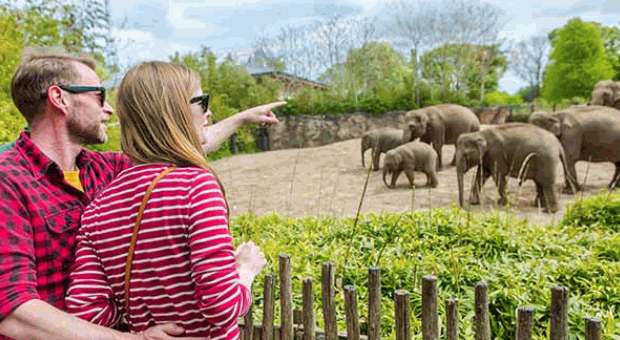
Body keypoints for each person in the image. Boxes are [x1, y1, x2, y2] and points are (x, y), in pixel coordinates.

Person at [0, 49, 283, 339]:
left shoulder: (106, 171)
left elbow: (172, 144)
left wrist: (242, 118)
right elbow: (12, 313)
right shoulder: (7, 180)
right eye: (99, 96)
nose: (109, 109)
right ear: (60, 98)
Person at [66, 61, 266, 338]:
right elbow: (222, 308)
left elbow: (86, 312)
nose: (209, 113)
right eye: (202, 101)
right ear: (175, 112)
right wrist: (245, 271)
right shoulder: (196, 186)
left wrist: (140, 315)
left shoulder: (98, 208)